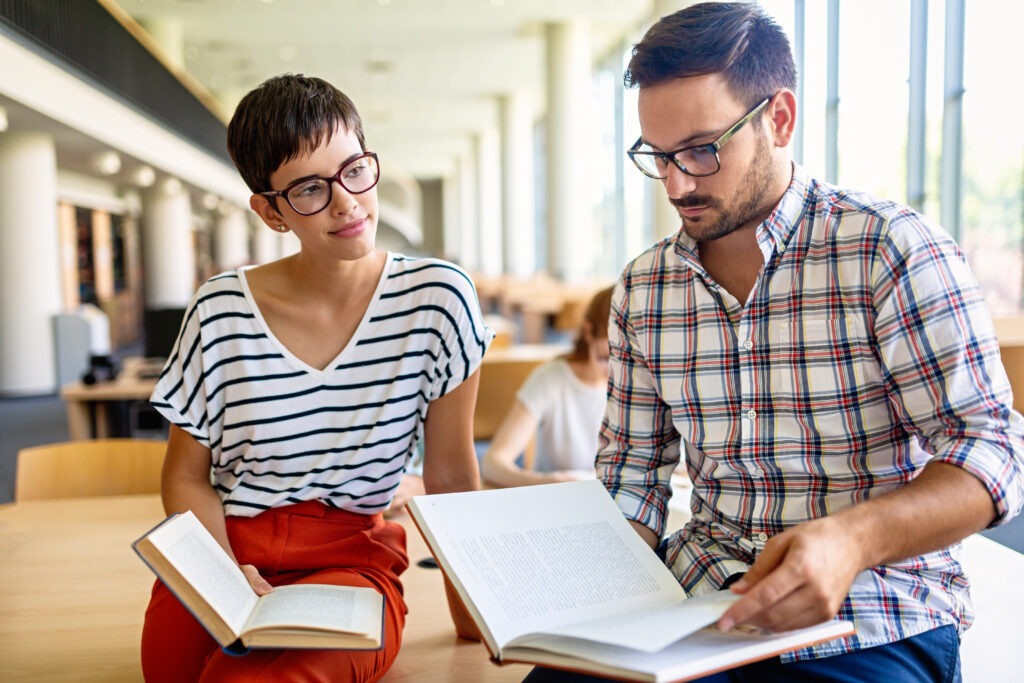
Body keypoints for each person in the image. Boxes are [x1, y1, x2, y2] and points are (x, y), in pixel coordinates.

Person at [525, 3, 1024, 682]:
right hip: (697, 606)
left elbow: (994, 450)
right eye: (658, 156)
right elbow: (631, 483)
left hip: (874, 613)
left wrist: (851, 538)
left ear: (779, 118)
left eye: (703, 149)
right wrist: (564, 599)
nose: (677, 184)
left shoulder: (888, 251)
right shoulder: (645, 288)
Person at [140, 74, 492, 682]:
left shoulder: (439, 298)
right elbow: (185, 475)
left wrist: (476, 615)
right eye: (309, 189)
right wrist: (225, 574)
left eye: (354, 169)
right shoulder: (221, 309)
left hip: (352, 559)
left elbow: (454, 474)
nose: (347, 201)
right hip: (228, 546)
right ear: (271, 211)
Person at [481, 286, 614, 488]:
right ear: (588, 333)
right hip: (558, 502)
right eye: (605, 358)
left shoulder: (640, 384)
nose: (616, 373)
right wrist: (547, 483)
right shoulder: (551, 380)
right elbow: (492, 464)